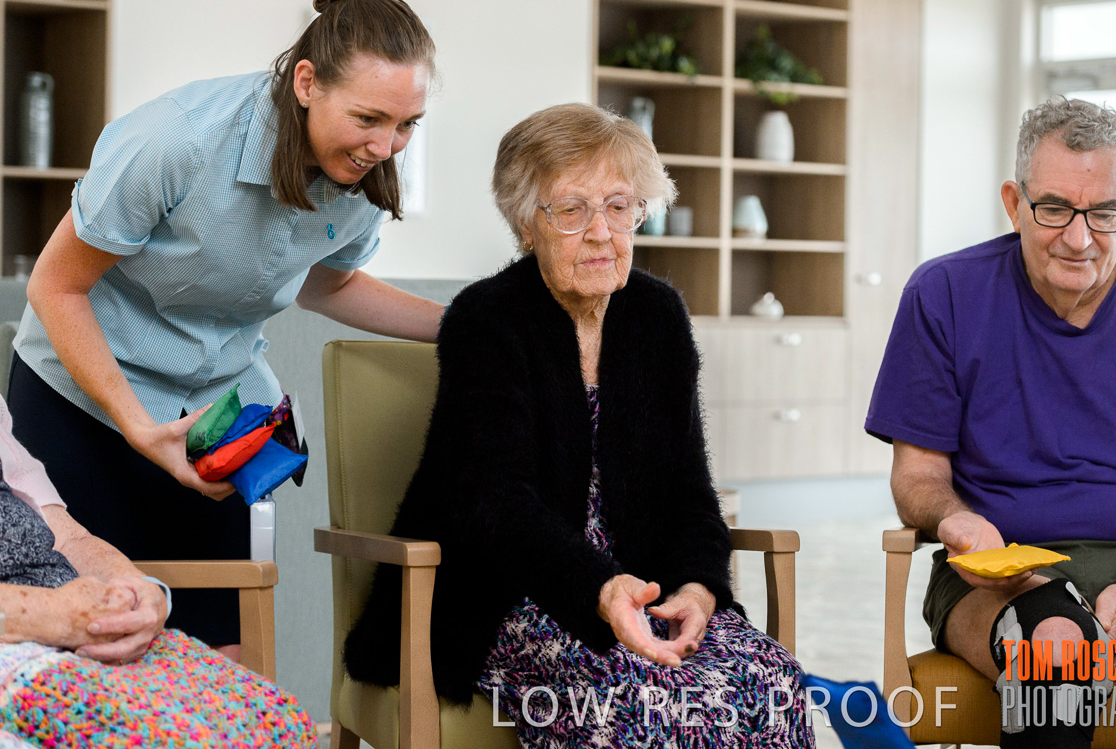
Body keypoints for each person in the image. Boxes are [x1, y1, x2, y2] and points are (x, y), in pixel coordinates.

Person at [343, 103, 815, 746]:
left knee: (772, 679)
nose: (600, 232)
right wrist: (600, 590)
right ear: (525, 224)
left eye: (619, 207)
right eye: (571, 210)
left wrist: (700, 589)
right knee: (639, 703)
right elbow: (495, 504)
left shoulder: (657, 316)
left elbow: (689, 489)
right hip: (512, 597)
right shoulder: (487, 321)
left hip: (642, 593)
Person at [7, 0, 443, 656]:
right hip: (83, 401)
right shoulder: (177, 141)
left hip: (214, 417)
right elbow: (55, 287)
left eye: (407, 124)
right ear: (307, 82)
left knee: (222, 650)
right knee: (89, 643)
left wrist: (469, 324)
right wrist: (139, 427)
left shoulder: (361, 176)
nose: (386, 146)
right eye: (368, 119)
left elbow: (327, 285)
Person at [867, 97, 1116, 748]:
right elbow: (917, 477)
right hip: (1000, 577)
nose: (1079, 238)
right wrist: (955, 521)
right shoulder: (942, 293)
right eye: (1053, 209)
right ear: (1013, 203)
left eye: (1103, 213)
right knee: (1053, 648)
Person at [0, 393, 316, 748]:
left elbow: (68, 535)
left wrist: (139, 587)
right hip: (23, 649)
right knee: (181, 740)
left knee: (278, 721)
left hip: (87, 634)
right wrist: (51, 615)